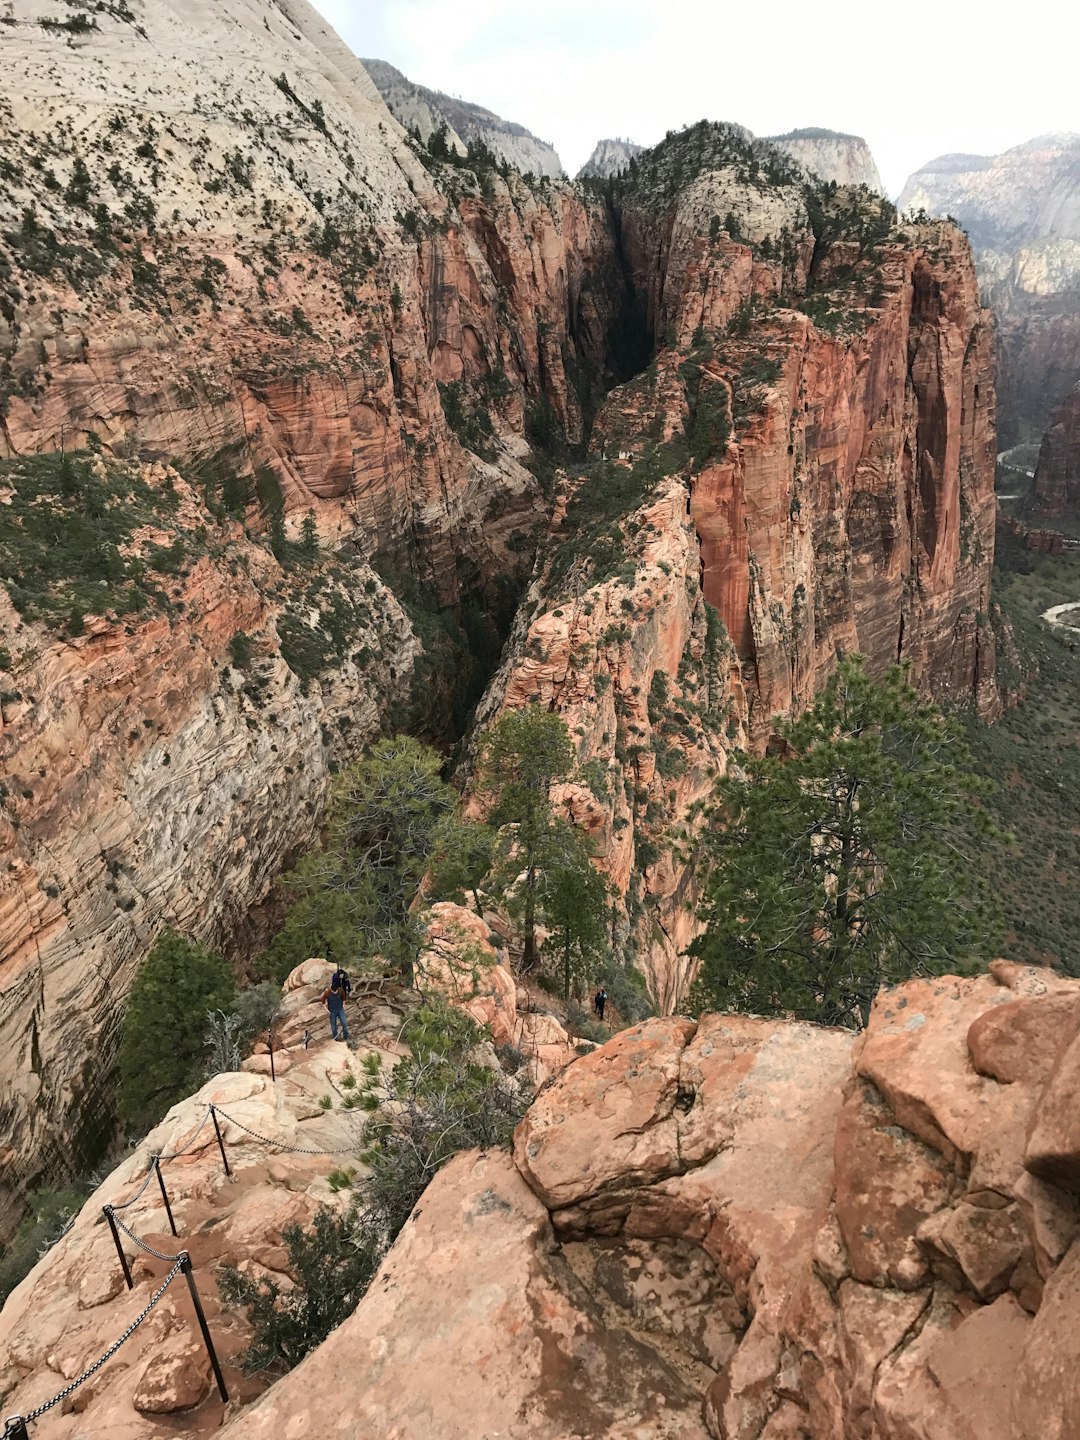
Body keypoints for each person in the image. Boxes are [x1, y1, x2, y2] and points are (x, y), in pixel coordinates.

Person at [322, 967, 351, 1042]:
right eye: (333, 992)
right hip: (332, 1011)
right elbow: (322, 1002)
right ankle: (335, 1038)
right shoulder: (327, 993)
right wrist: (326, 1010)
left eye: (336, 992)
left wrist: (343, 1006)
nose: (335, 993)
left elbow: (344, 998)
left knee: (344, 1024)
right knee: (333, 1027)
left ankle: (346, 1036)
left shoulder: (340, 990)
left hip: (340, 1009)